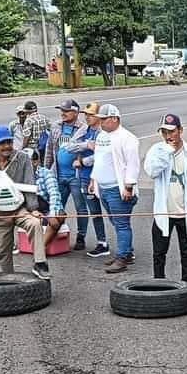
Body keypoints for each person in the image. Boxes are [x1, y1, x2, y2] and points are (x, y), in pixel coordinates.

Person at [0, 125, 50, 279]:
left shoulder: (22, 158)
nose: (7, 146)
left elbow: (29, 184)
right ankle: (6, 280)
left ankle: (40, 263)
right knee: (3, 251)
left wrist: (33, 209)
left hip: (19, 208)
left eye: (9, 142)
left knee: (34, 223)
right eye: (2, 143)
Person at [143, 114, 187, 282]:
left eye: (172, 131)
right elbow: (152, 171)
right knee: (159, 252)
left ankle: (186, 283)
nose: (168, 136)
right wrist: (166, 152)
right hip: (164, 212)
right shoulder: (157, 150)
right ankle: (159, 283)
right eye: (164, 132)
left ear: (180, 130)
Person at [89, 104, 140, 274]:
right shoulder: (102, 136)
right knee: (115, 221)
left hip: (117, 189)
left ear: (115, 119)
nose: (101, 122)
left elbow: (133, 164)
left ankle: (122, 258)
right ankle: (127, 252)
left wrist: (128, 186)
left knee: (121, 223)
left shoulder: (127, 138)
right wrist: (93, 179)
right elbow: (99, 159)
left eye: (104, 119)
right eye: (100, 119)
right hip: (103, 187)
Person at [44, 99, 90, 251]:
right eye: (61, 110)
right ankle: (53, 235)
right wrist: (45, 171)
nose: (62, 113)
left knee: (80, 208)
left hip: (76, 176)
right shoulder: (56, 126)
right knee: (56, 206)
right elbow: (50, 149)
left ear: (75, 113)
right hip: (58, 175)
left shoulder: (84, 129)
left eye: (66, 111)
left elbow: (87, 150)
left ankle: (81, 237)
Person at [72, 102, 110, 257]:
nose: (87, 117)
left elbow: (102, 154)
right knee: (94, 211)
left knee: (112, 213)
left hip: (101, 177)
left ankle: (124, 248)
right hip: (85, 177)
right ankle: (102, 242)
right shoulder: (84, 130)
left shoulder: (103, 133)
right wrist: (87, 145)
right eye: (86, 114)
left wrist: (83, 161)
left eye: (91, 115)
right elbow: (70, 146)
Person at [26, 148, 67, 250]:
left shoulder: (46, 173)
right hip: (28, 209)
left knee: (60, 216)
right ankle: (39, 249)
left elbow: (54, 194)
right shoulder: (19, 175)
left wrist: (52, 215)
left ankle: (40, 248)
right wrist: (32, 211)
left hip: (45, 209)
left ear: (36, 162)